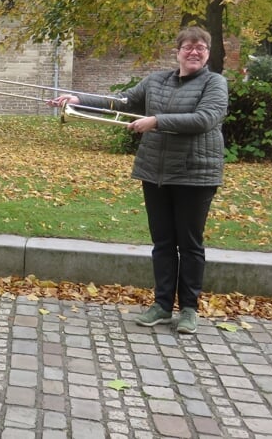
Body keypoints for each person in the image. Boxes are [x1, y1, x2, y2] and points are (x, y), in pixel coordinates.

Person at [48, 26, 227, 334]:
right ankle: (160, 305)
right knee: (163, 243)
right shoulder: (156, 81)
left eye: (200, 48)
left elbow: (205, 119)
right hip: (155, 171)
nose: (194, 52)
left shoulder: (215, 82)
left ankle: (188, 309)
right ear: (178, 52)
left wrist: (155, 121)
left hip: (195, 174)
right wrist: (78, 98)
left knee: (190, 243)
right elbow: (122, 101)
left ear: (208, 54)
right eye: (188, 47)